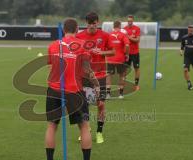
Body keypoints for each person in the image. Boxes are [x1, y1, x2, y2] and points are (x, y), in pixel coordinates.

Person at [45, 18, 100, 160]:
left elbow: (51, 65)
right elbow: (87, 69)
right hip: (75, 90)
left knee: (52, 126)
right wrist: (96, 84)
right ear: (77, 30)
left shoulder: (53, 45)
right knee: (84, 126)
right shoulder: (82, 45)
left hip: (54, 89)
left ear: (64, 30)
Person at [76, 12, 114, 144]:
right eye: (89, 23)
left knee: (101, 105)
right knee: (83, 105)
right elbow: (75, 53)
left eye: (94, 23)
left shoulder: (105, 35)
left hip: (101, 75)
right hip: (85, 76)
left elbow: (113, 51)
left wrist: (102, 52)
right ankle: (85, 130)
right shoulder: (79, 36)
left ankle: (99, 132)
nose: (92, 26)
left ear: (97, 22)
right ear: (86, 23)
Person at [106, 20, 130, 99]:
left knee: (109, 76)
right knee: (122, 75)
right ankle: (121, 94)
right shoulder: (123, 35)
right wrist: (126, 54)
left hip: (110, 58)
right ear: (120, 26)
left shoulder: (109, 35)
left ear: (113, 26)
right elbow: (127, 45)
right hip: (120, 58)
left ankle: (108, 94)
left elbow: (106, 46)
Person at [124, 15, 141, 90]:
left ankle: (136, 84)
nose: (129, 22)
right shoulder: (124, 29)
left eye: (130, 21)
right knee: (125, 69)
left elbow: (137, 40)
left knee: (136, 68)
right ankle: (124, 84)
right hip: (127, 52)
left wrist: (129, 37)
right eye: (128, 21)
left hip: (135, 52)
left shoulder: (137, 29)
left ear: (133, 21)